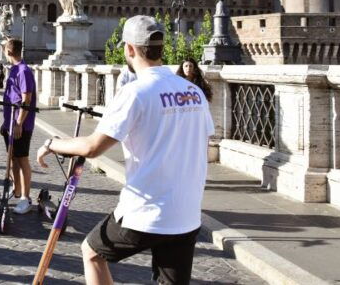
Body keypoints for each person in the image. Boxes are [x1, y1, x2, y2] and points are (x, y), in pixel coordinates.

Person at [36, 16, 214, 285]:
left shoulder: (135, 92)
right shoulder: (193, 92)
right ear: (161, 48)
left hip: (146, 212)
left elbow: (93, 147)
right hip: (186, 214)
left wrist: (53, 144)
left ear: (130, 49)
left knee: (92, 252)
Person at [1, 39, 37, 214]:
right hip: (10, 122)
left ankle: (25, 198)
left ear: (7, 52)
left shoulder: (23, 71)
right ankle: (16, 190)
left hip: (20, 124)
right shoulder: (15, 69)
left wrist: (18, 123)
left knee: (22, 159)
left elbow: (26, 99)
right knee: (14, 158)